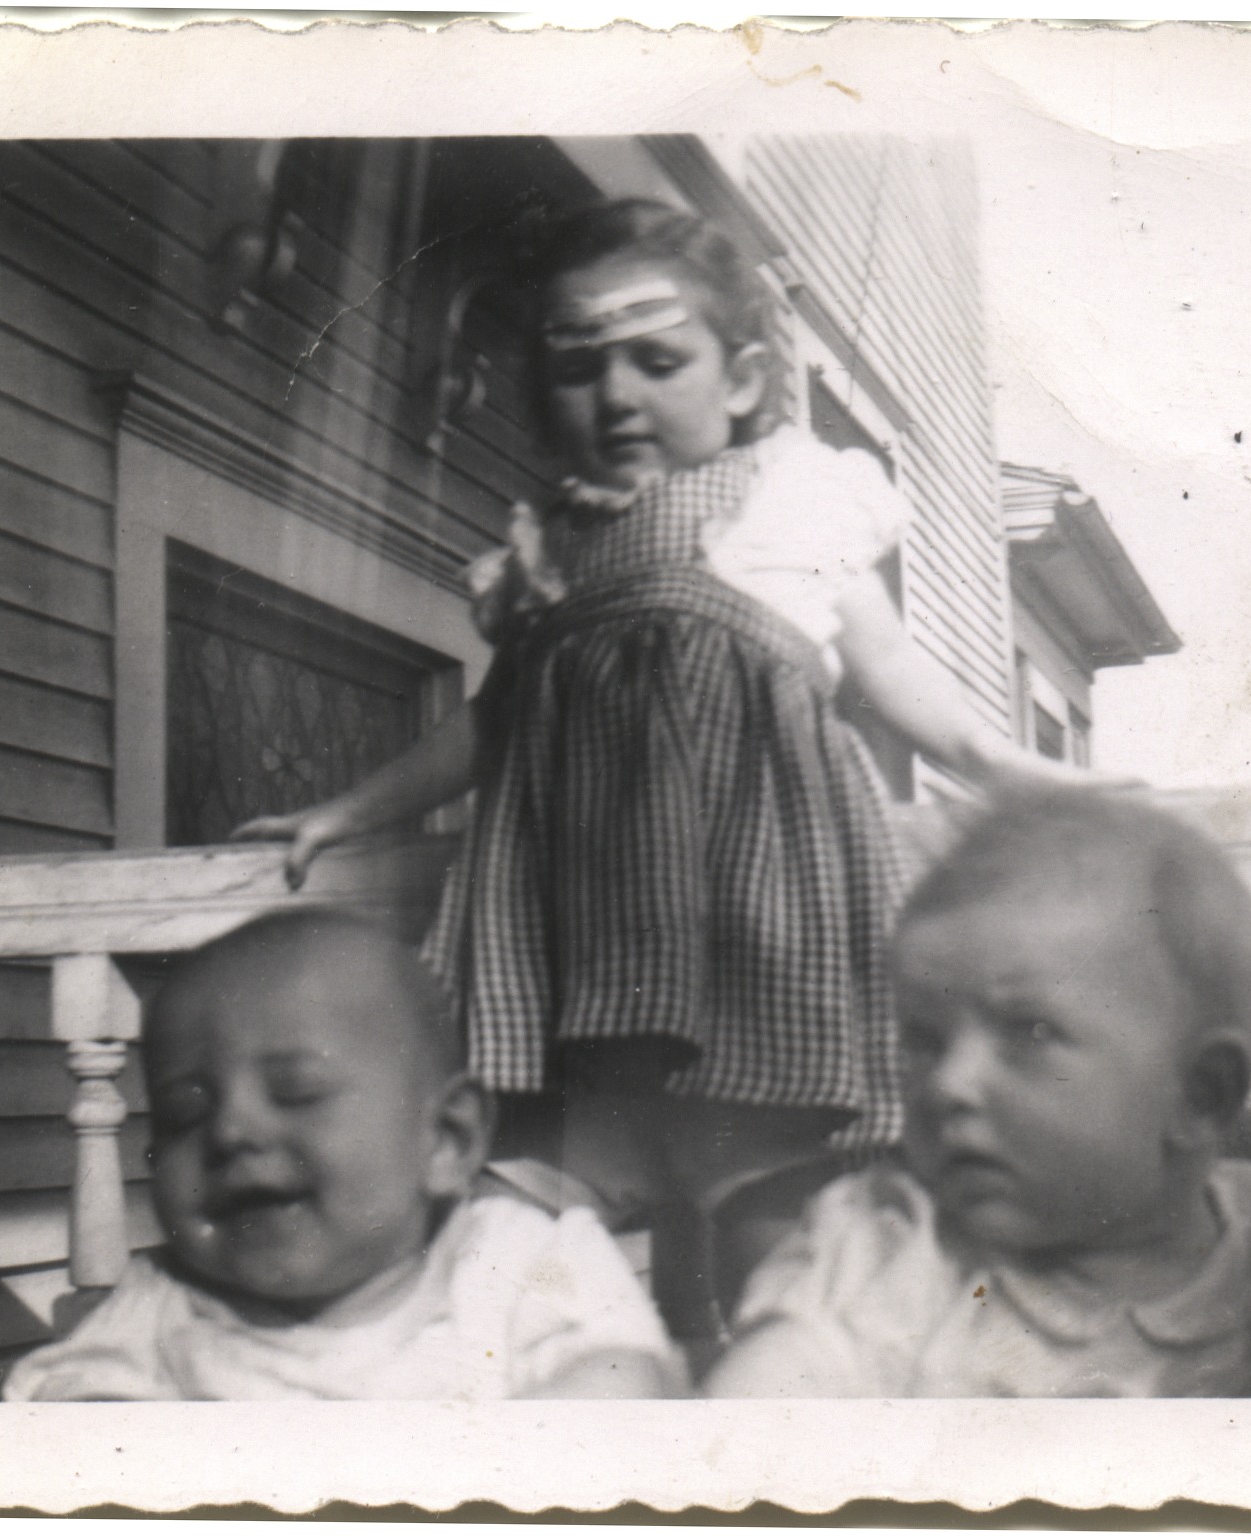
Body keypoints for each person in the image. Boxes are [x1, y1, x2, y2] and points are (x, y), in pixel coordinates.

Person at [236, 199, 1083, 1337]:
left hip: (753, 954)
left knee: (777, 1273)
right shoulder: (550, 553)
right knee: (496, 1254)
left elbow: (891, 675)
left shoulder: (792, 504)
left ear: (741, 381)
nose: (617, 396)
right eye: (579, 368)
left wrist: (1010, 769)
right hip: (579, 970)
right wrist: (347, 810)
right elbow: (492, 724)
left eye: (658, 361)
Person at [703, 788, 1251, 1398]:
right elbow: (762, 1420)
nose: (947, 1082)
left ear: (1197, 1094)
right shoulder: (890, 1256)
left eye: (1029, 1032)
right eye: (923, 1039)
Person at [3, 911, 683, 1400]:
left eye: (296, 1093)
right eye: (186, 1113)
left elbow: (622, 1374)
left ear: (445, 1141)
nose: (231, 1130)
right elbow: (70, 1414)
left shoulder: (514, 1261)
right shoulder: (162, 1305)